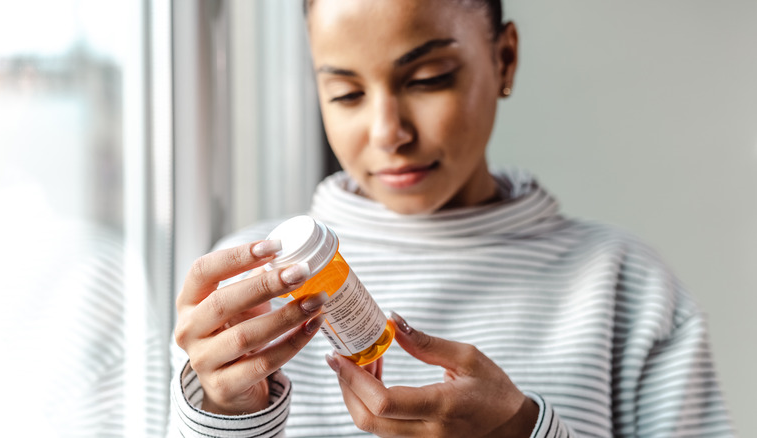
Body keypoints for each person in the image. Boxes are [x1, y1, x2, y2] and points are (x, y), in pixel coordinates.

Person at [169, 0, 734, 436]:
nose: (389, 132)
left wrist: (524, 431)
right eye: (345, 93)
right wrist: (222, 416)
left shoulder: (625, 285)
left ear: (504, 58)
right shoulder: (240, 297)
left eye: (428, 78)